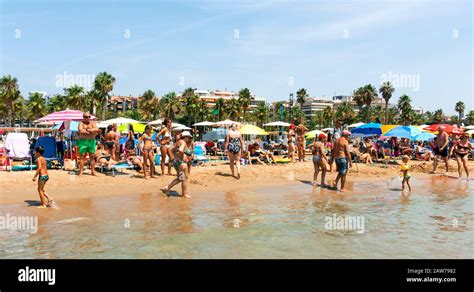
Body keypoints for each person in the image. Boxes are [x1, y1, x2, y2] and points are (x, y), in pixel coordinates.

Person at [162, 131, 193, 198]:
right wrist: (182, 155)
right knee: (185, 178)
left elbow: (170, 149)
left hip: (176, 162)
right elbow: (181, 150)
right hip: (181, 163)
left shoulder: (178, 142)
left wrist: (172, 158)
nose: (189, 139)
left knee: (180, 178)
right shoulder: (183, 142)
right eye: (188, 137)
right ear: (186, 137)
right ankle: (183, 194)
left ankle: (167, 188)